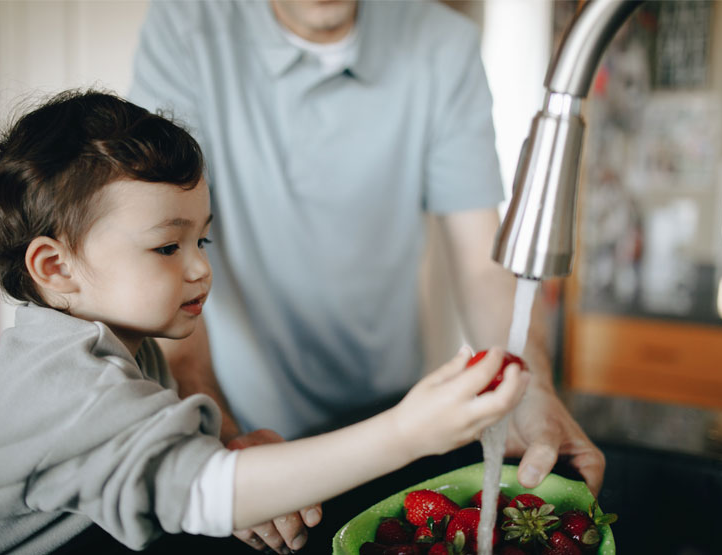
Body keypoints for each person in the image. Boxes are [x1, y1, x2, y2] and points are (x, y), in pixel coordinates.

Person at [0, 90, 529, 554]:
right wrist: (407, 433)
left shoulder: (118, 349)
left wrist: (238, 459)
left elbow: (163, 464)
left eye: (204, 237)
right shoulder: (62, 389)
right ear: (55, 267)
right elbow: (202, 492)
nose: (200, 267)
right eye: (168, 247)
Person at [129, 1, 606, 551]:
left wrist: (532, 387)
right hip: (243, 421)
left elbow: (481, 262)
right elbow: (161, 252)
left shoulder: (442, 43)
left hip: (393, 410)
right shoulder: (185, 28)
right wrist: (220, 433)